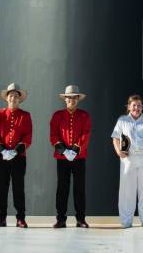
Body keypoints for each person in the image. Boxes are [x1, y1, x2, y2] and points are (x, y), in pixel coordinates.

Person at [111, 94, 143, 228]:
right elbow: (115, 138)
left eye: (139, 105)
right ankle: (126, 221)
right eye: (134, 105)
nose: (136, 108)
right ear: (129, 107)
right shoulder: (122, 121)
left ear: (142, 107)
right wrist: (118, 151)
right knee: (127, 190)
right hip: (128, 159)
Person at [0, 82, 33, 228]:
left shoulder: (25, 115)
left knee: (18, 188)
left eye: (16, 96)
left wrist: (15, 151)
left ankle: (20, 218)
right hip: (1, 157)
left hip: (18, 157)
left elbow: (28, 136)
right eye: (11, 96)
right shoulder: (0, 114)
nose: (13, 99)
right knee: (0, 187)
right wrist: (2, 150)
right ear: (6, 98)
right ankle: (1, 217)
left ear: (19, 99)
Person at [49, 84, 92, 228]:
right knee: (62, 188)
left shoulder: (84, 115)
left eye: (74, 98)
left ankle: (80, 219)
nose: (71, 100)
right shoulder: (57, 115)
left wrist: (75, 150)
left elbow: (86, 134)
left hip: (79, 157)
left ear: (78, 99)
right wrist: (64, 151)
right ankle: (61, 219)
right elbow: (53, 135)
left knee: (79, 188)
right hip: (62, 158)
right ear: (65, 99)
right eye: (69, 98)